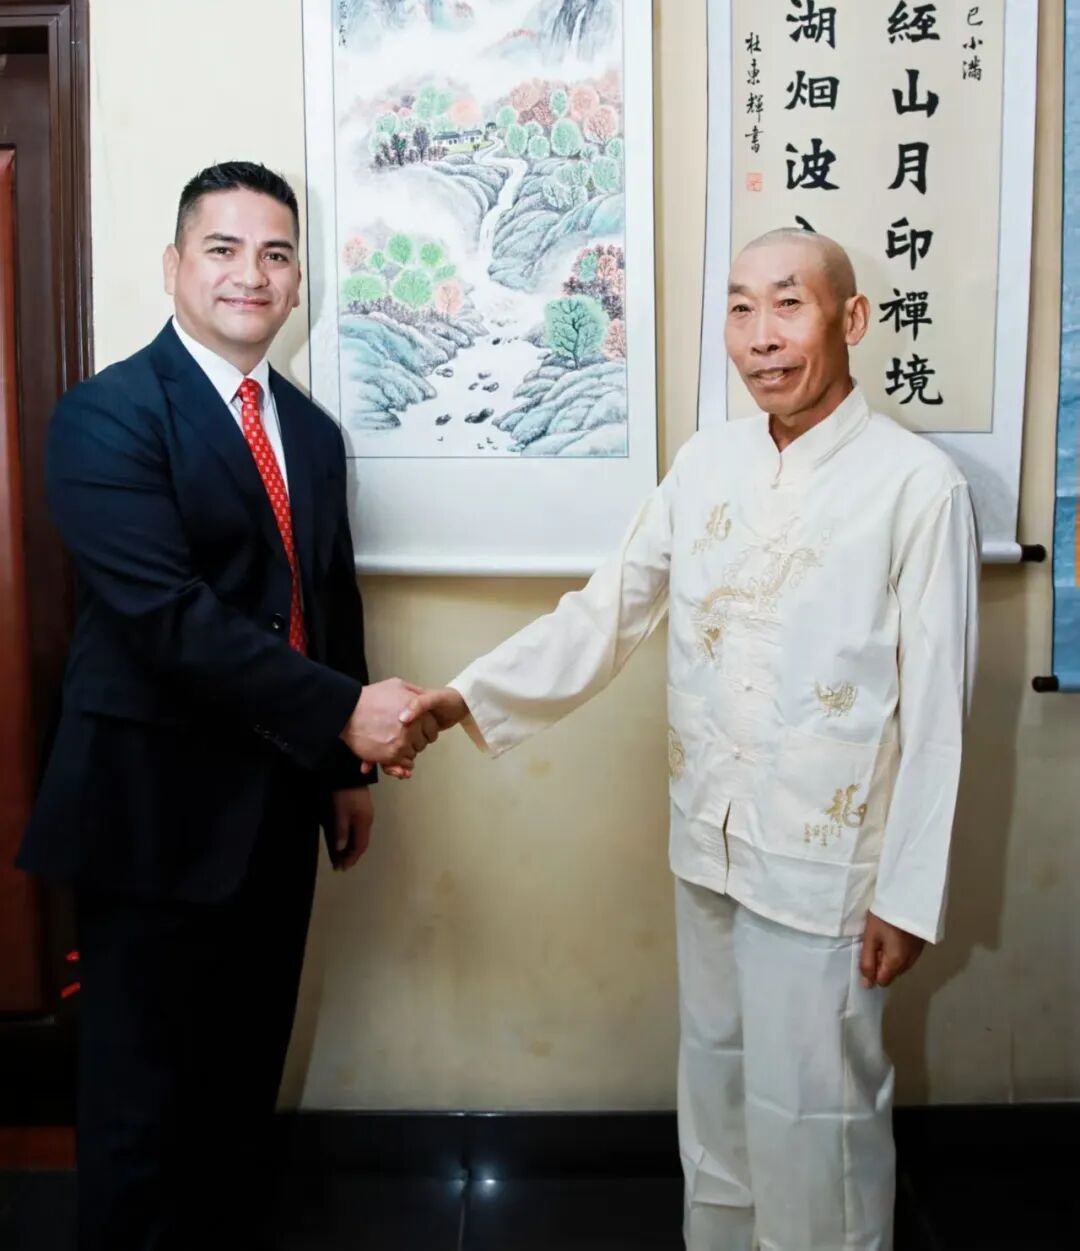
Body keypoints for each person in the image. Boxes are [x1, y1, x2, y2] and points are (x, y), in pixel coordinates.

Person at [400, 228, 979, 1251]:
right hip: (707, 839)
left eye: (788, 304)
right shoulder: (706, 464)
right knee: (715, 1083)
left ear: (850, 318)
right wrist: (463, 697)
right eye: (741, 308)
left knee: (818, 1111)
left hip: (826, 866)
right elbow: (608, 611)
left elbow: (939, 710)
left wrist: (907, 891)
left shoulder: (917, 486)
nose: (761, 336)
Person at [18, 161, 436, 1251]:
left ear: (298, 282)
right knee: (142, 1110)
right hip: (148, 815)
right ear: (174, 266)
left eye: (276, 253)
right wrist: (344, 713)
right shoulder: (106, 415)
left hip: (275, 807)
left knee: (238, 1090)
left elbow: (326, 598)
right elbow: (168, 617)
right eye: (224, 248)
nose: (252, 273)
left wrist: (342, 773)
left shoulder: (311, 433)